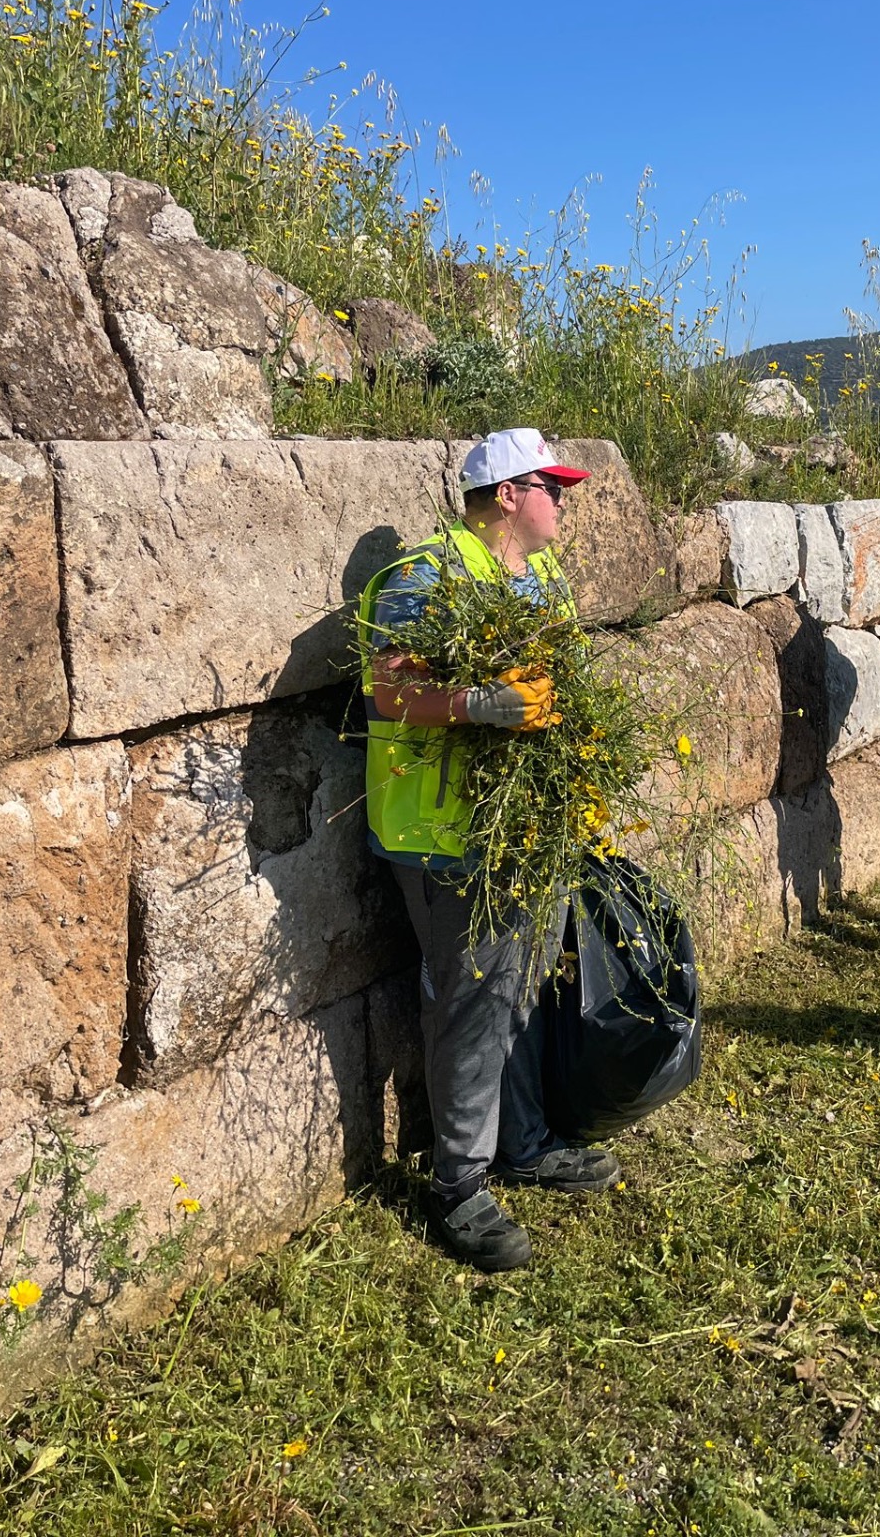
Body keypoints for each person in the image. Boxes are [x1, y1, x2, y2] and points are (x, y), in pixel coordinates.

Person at [358, 427, 621, 1272]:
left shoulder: (539, 572)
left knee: (520, 983)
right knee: (474, 1001)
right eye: (553, 486)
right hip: (444, 833)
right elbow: (387, 689)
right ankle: (458, 1186)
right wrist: (474, 704)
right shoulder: (425, 576)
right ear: (507, 494)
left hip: (525, 823)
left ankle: (525, 1140)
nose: (564, 500)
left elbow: (560, 676)